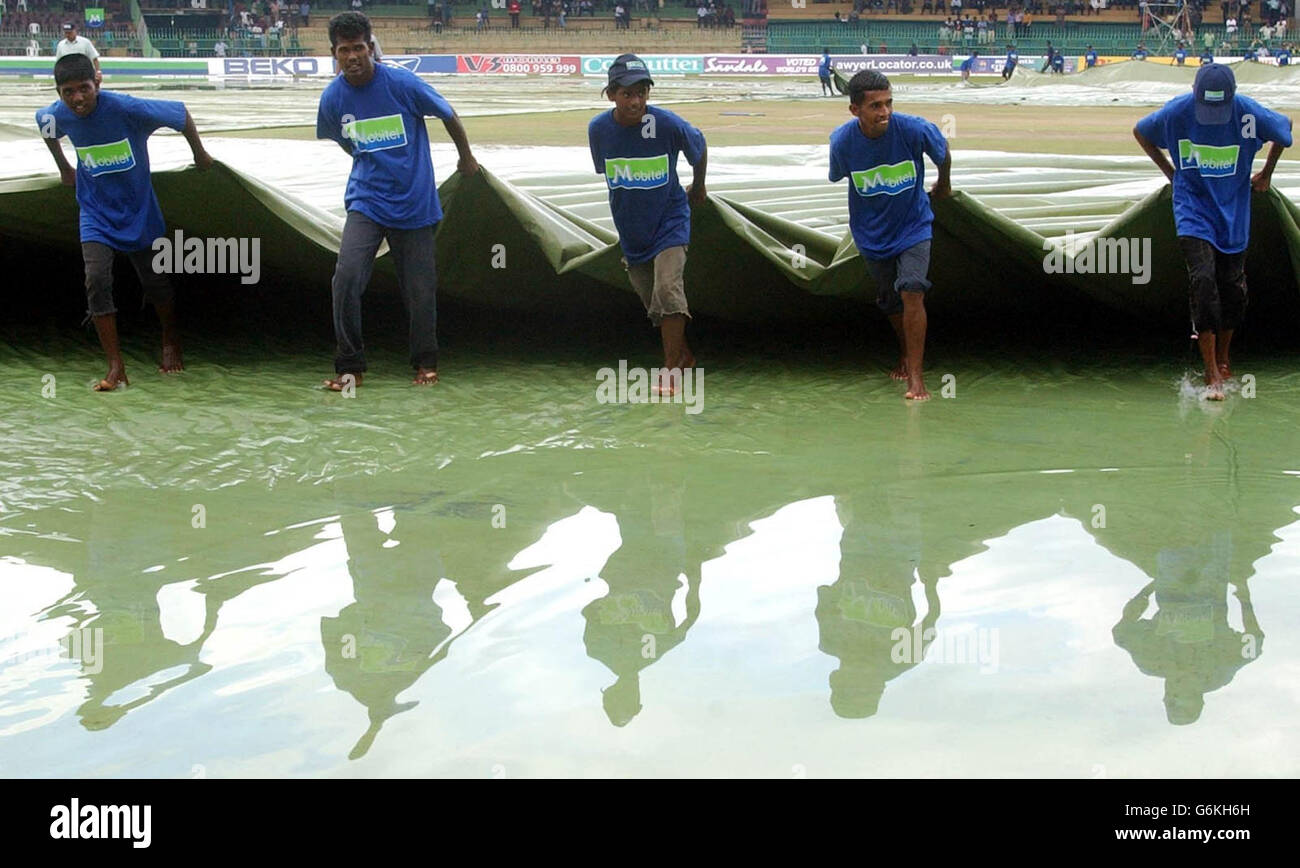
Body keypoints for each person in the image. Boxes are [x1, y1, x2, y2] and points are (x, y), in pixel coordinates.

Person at [315, 12, 480, 391]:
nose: (353, 56)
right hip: (366, 202)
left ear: (371, 48)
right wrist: (369, 161)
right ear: (334, 54)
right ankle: (350, 366)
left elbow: (448, 114)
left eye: (359, 48)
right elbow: (344, 141)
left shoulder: (402, 84)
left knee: (419, 289)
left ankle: (425, 362)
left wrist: (466, 158)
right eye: (345, 50)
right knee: (346, 278)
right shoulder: (332, 98)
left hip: (414, 204)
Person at [36, 53, 213, 391]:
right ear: (58, 92)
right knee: (96, 278)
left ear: (97, 83)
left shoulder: (127, 108)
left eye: (84, 89)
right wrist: (64, 168)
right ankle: (116, 366)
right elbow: (45, 126)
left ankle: (169, 338)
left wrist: (199, 155)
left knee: (155, 282)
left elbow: (180, 113)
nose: (77, 99)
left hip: (138, 211)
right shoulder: (57, 114)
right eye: (67, 92)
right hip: (94, 212)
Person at [1133, 63, 1292, 399]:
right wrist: (1171, 173)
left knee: (1233, 289)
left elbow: (1285, 128)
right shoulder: (1177, 112)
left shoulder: (1248, 113)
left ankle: (1223, 357)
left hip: (1233, 211)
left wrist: (1266, 174)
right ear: (1194, 95)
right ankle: (1211, 373)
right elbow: (1141, 132)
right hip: (1193, 208)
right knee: (1203, 279)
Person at [828, 70, 952, 401]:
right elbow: (839, 175)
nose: (884, 112)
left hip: (914, 226)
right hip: (871, 234)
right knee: (891, 300)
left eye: (888, 103)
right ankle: (904, 352)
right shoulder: (841, 142)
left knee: (912, 289)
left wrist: (945, 184)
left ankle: (916, 377)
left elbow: (943, 151)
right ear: (855, 110)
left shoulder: (914, 129)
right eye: (875, 106)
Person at [588, 54, 707, 397]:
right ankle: (683, 355)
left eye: (642, 92)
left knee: (668, 289)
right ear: (611, 95)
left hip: (670, 220)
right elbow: (607, 173)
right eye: (627, 94)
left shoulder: (666, 124)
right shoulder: (599, 130)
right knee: (653, 303)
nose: (636, 101)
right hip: (631, 229)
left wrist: (698, 186)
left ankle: (670, 371)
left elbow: (698, 146)